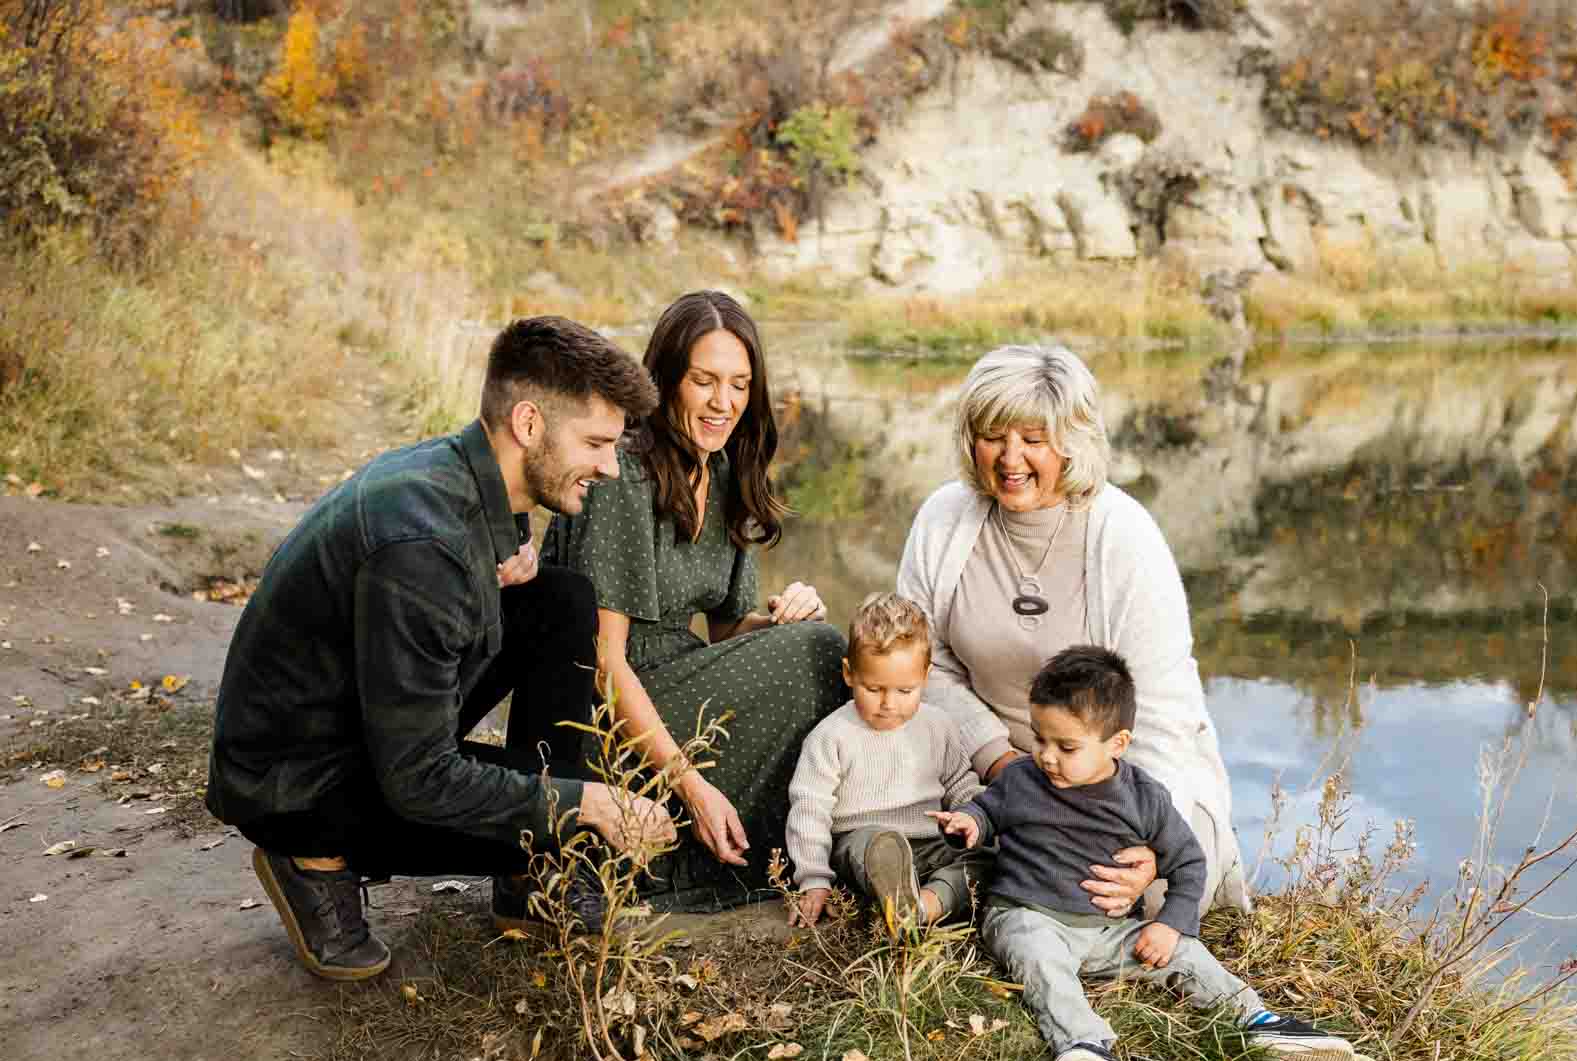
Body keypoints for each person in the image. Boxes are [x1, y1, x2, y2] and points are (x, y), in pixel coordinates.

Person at [207, 316, 677, 981]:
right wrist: (584, 806)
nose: (610, 466)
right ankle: (309, 858)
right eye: (596, 443)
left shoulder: (469, 474)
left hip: (364, 720)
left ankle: (532, 874)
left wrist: (507, 561)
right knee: (575, 820)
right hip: (297, 782)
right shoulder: (422, 543)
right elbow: (418, 781)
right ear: (529, 423)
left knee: (561, 601)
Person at [897, 343, 1251, 923]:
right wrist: (999, 760)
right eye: (993, 436)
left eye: (1034, 439)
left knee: (1133, 891)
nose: (1011, 458)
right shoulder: (944, 518)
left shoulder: (1126, 536)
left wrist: (1147, 842)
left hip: (1113, 781)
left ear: (1072, 442)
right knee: (907, 815)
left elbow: (1160, 712)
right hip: (979, 765)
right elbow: (924, 663)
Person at [932, 647, 1347, 1061]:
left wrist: (1169, 924)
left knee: (1187, 954)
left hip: (1109, 931)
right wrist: (969, 823)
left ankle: (1256, 1020)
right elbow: (988, 811)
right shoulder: (1021, 779)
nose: (1046, 756)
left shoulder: (1144, 798)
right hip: (1029, 915)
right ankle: (1085, 1046)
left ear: (1117, 744)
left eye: (1066, 747)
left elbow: (1188, 863)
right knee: (1040, 963)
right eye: (1039, 738)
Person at [542, 291, 847, 911]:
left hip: (674, 682)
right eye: (703, 381)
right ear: (665, 381)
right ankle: (663, 850)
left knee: (817, 646)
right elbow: (603, 663)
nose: (722, 402)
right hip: (597, 717)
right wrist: (690, 785)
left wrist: (781, 620)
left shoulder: (726, 471)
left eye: (739, 385)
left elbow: (728, 632)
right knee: (819, 652)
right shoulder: (623, 472)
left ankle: (805, 844)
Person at [783, 593, 993, 931]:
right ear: (849, 673)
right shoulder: (831, 736)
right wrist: (814, 879)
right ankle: (896, 892)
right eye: (874, 689)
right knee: (877, 844)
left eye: (905, 691)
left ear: (925, 676)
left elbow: (960, 782)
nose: (888, 704)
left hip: (930, 843)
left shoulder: (939, 725)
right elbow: (810, 808)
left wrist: (971, 817)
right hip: (861, 844)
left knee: (988, 859)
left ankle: (923, 906)